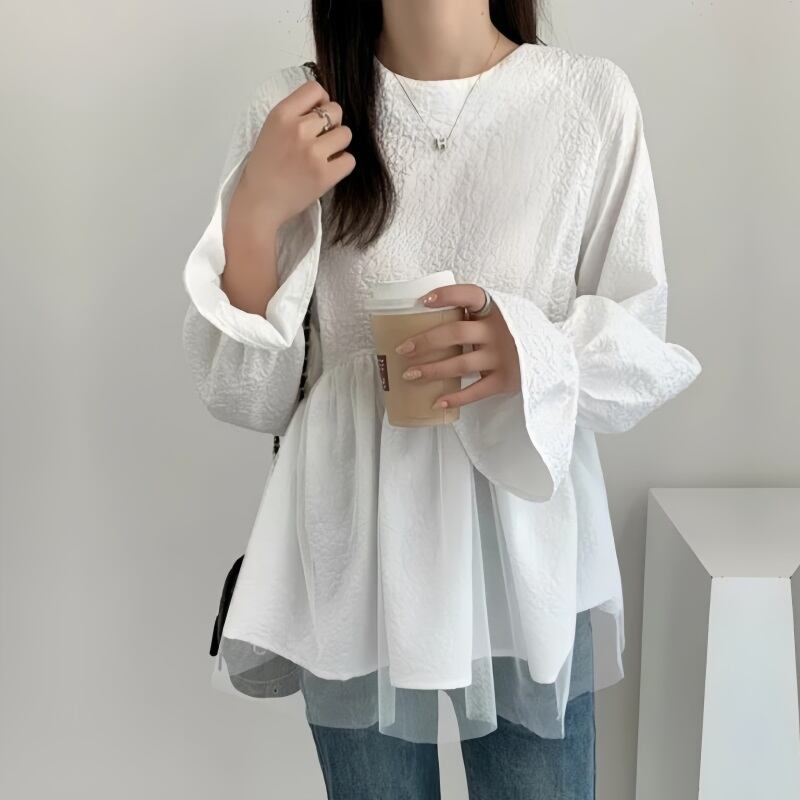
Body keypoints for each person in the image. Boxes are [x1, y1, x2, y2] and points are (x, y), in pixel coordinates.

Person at [181, 2, 702, 797]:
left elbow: (638, 343)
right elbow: (247, 396)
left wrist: (529, 348)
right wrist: (252, 211)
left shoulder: (588, 100)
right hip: (353, 547)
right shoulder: (297, 109)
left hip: (527, 548)